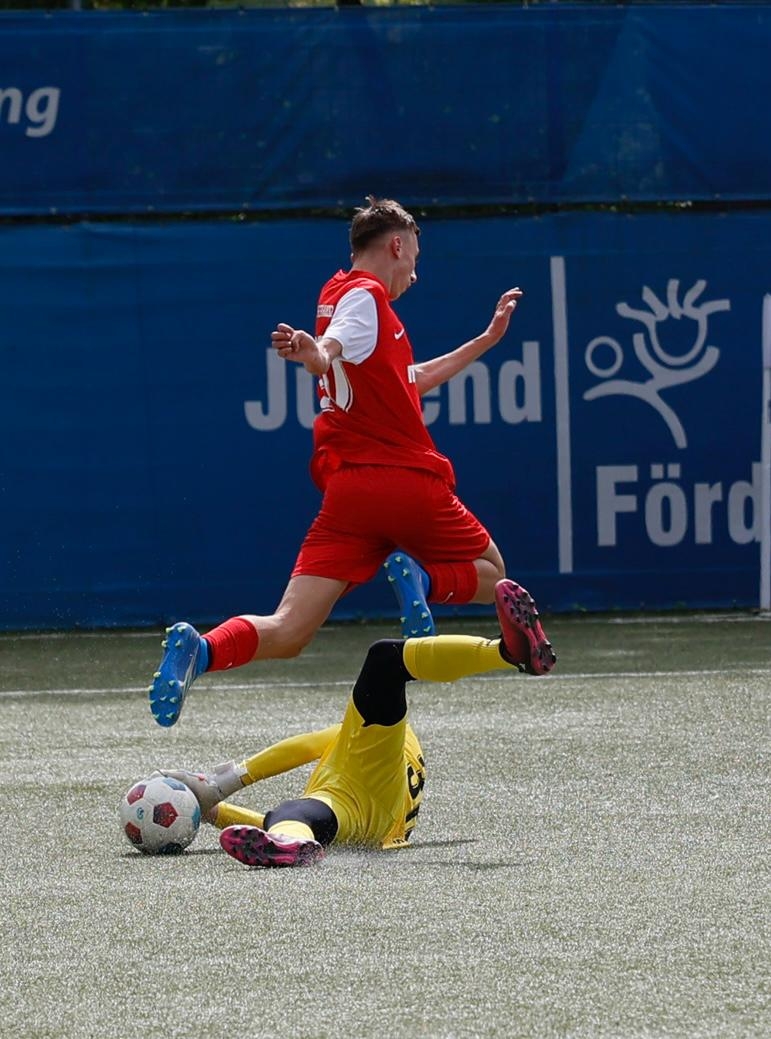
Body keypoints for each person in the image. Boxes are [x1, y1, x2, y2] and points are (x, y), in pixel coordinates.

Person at [149, 195, 555, 729]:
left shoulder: (339, 294)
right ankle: (423, 581)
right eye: (414, 258)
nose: (415, 273)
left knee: (289, 630)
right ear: (396, 245)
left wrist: (485, 340)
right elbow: (330, 350)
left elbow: (408, 379)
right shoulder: (366, 298)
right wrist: (313, 353)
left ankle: (200, 650)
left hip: (350, 496)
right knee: (493, 572)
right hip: (405, 481)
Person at [156, 578, 552, 869]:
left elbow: (292, 784)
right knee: (385, 661)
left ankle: (509, 652)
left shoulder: (348, 774)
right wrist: (219, 795)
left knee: (297, 816)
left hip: (373, 821)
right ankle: (506, 652)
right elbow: (302, 759)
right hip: (374, 801)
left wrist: (218, 799)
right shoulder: (359, 757)